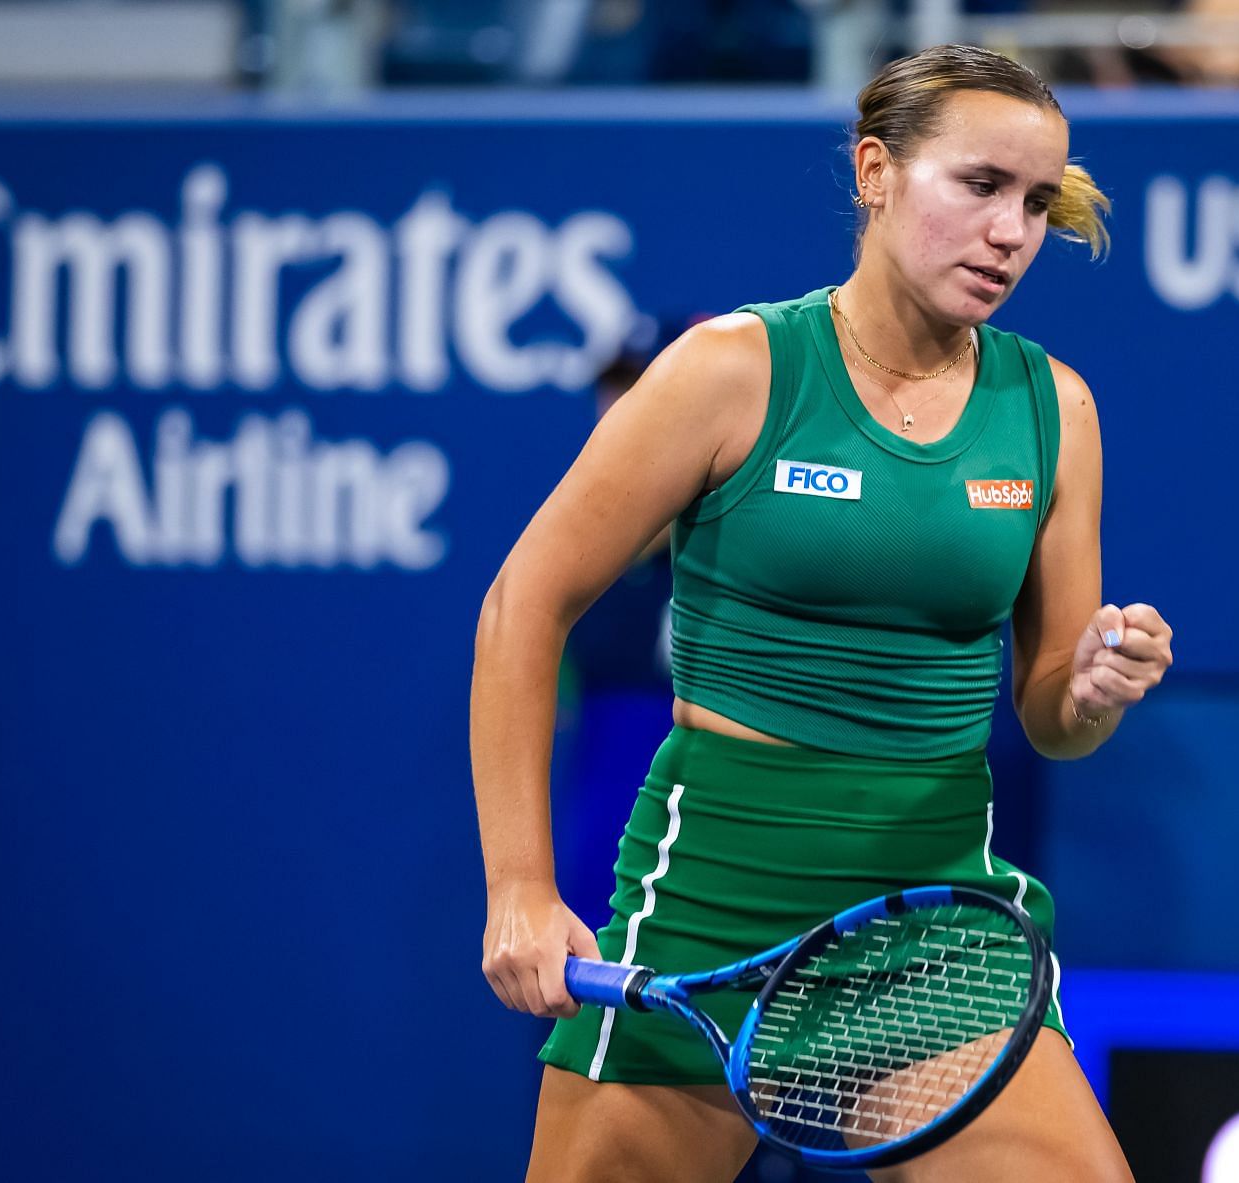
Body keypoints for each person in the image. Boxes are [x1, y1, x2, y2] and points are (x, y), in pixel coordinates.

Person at [471, 43, 1172, 1182]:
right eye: (981, 186)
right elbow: (522, 603)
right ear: (875, 171)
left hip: (936, 934)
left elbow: (1052, 717)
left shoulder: (1057, 410)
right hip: (712, 904)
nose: (1012, 232)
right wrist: (520, 889)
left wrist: (1091, 688)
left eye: (1037, 204)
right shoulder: (730, 371)